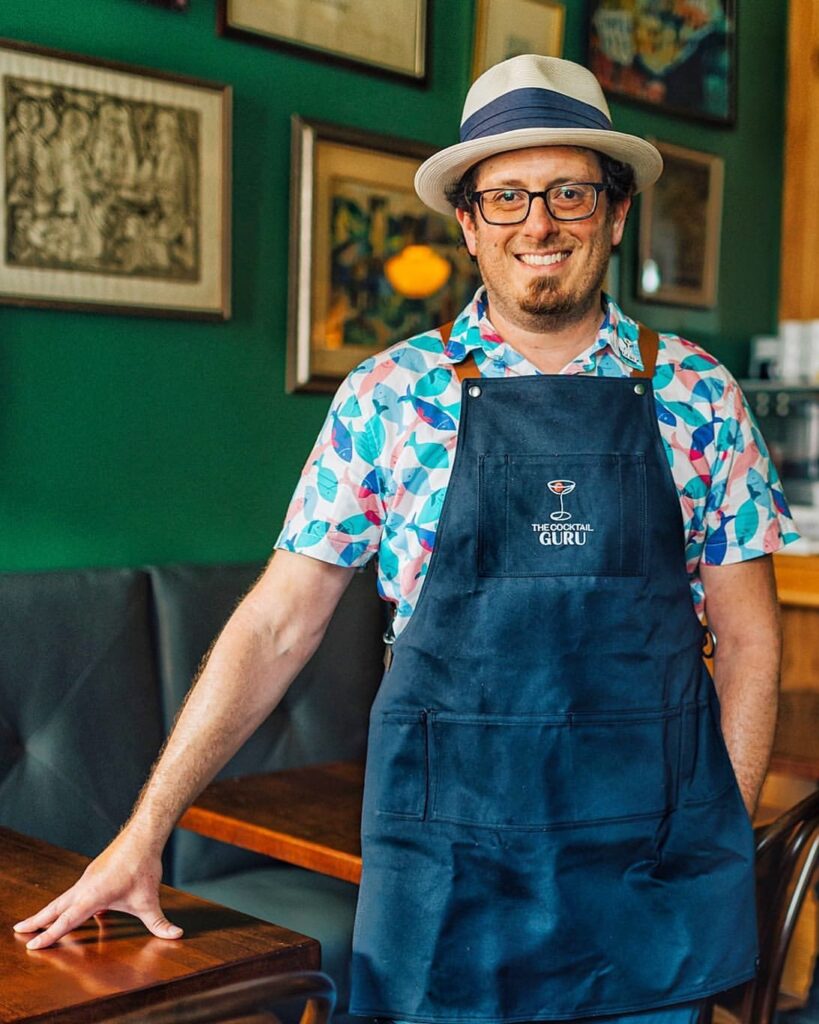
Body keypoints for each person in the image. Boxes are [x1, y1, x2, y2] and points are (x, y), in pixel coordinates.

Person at [15, 55, 798, 1024]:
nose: (538, 223)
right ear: (467, 223)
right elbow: (277, 624)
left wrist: (716, 828)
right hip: (448, 854)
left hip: (643, 853)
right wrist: (144, 829)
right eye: (506, 197)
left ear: (617, 210)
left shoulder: (699, 394)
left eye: (568, 192)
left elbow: (753, 638)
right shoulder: (389, 396)